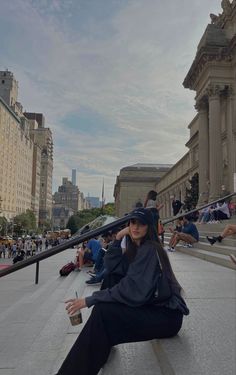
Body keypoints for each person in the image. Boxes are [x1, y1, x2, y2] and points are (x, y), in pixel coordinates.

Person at [55, 208, 189, 375]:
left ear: (149, 227)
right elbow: (112, 267)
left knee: (104, 312)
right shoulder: (137, 248)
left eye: (142, 224)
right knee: (111, 280)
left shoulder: (150, 249)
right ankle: (97, 346)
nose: (136, 227)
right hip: (153, 307)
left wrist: (90, 300)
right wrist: (118, 238)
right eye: (133, 223)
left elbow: (132, 289)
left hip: (167, 318)